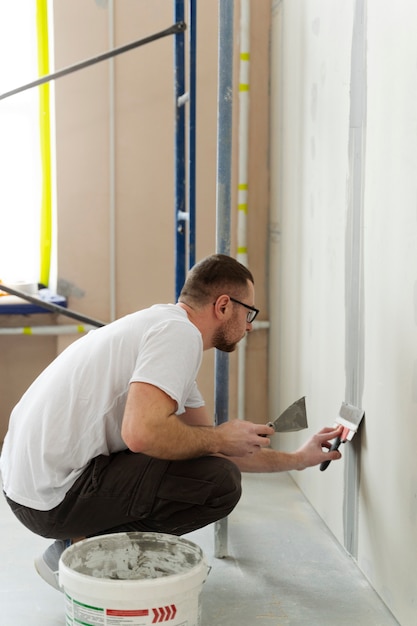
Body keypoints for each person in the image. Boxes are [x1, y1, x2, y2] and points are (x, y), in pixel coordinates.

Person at [0, 254, 342, 591]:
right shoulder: (179, 335)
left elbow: (211, 448)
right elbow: (142, 433)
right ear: (223, 306)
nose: (250, 324)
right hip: (50, 499)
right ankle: (79, 554)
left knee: (210, 466)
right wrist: (220, 438)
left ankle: (77, 546)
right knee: (218, 484)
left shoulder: (163, 328)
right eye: (248, 312)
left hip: (26, 487)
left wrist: (298, 458)